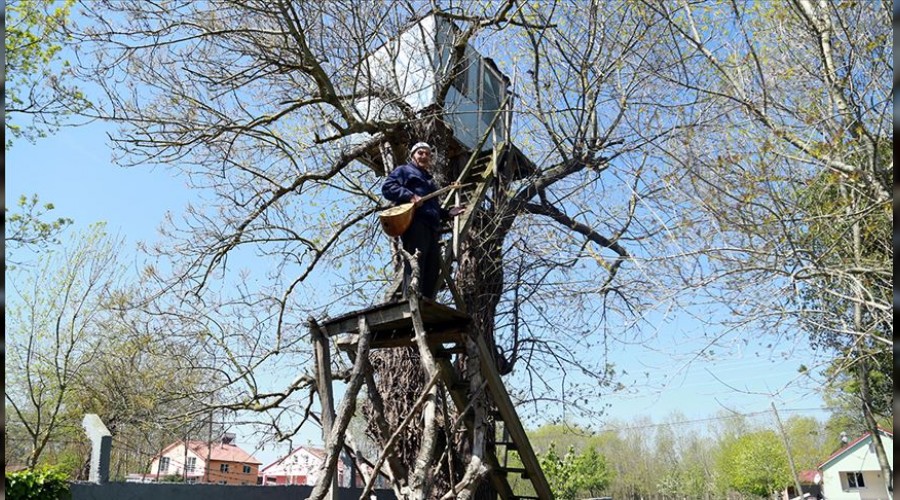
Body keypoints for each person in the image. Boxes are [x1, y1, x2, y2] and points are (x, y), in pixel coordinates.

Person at [382, 142, 464, 299]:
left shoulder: (430, 182)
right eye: (420, 153)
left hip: (432, 228)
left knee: (432, 268)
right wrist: (410, 196)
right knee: (416, 263)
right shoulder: (404, 171)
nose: (424, 156)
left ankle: (425, 301)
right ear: (413, 155)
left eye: (427, 154)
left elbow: (432, 209)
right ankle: (411, 300)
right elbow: (388, 187)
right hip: (415, 224)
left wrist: (448, 213)